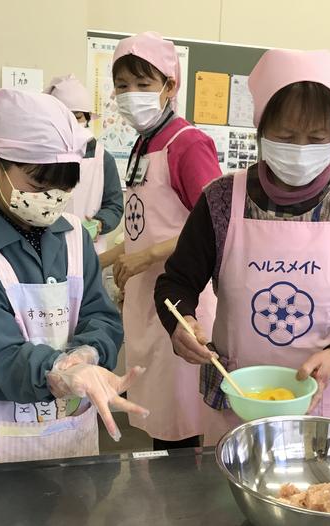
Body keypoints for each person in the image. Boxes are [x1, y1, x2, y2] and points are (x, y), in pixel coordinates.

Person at [154, 49, 330, 443]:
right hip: (242, 401)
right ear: (261, 129)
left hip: (329, 405)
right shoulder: (220, 200)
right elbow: (176, 283)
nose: (301, 150)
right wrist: (180, 324)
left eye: (317, 138)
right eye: (286, 137)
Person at [0, 89, 147, 467]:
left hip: (70, 439)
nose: (52, 198)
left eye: (64, 188)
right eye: (38, 187)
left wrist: (89, 353)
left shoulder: (74, 236)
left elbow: (102, 317)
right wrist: (59, 373)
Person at [105, 32, 222, 450]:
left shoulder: (187, 144)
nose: (130, 94)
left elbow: (214, 223)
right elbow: (144, 230)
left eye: (143, 84)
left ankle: (185, 486)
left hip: (181, 299)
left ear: (169, 86)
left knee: (182, 418)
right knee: (159, 414)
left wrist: (147, 257)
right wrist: (96, 260)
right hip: (146, 298)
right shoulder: (142, 144)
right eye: (122, 85)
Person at [44, 74, 123, 253]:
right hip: (47, 244)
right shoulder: (41, 155)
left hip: (89, 246)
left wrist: (100, 223)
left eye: (77, 117)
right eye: (64, 117)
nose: (71, 123)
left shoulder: (102, 158)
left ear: (87, 118)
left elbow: (114, 204)